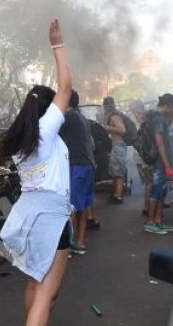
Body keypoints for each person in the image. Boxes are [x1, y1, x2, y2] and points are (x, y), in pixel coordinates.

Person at [0, 19, 72, 326]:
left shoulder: (22, 137)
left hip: (28, 214)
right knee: (45, 295)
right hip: (50, 218)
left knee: (35, 284)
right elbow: (66, 88)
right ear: (48, 110)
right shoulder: (45, 131)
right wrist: (57, 45)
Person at [59, 90, 96, 255]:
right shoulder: (80, 117)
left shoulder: (69, 117)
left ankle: (66, 247)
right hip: (87, 164)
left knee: (71, 206)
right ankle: (79, 242)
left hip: (77, 165)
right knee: (83, 205)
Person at [143, 93, 173, 235]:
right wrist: (167, 165)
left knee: (161, 192)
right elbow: (159, 143)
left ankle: (158, 220)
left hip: (161, 163)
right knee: (156, 192)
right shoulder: (158, 119)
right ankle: (150, 222)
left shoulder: (156, 118)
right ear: (168, 106)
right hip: (160, 164)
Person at [102, 96, 127, 204]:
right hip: (116, 146)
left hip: (119, 146)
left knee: (119, 173)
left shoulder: (115, 116)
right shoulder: (112, 116)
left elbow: (122, 130)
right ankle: (116, 194)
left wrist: (107, 128)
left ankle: (119, 196)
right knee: (115, 172)